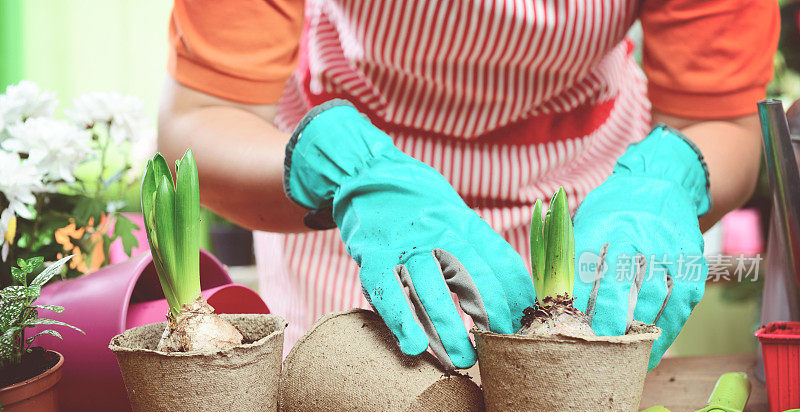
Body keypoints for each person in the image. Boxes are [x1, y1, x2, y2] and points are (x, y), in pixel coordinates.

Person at [159, 0, 779, 371]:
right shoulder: (353, 184)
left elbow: (720, 119)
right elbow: (198, 121)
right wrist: (349, 175)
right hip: (360, 213)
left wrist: (666, 182)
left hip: (585, 200)